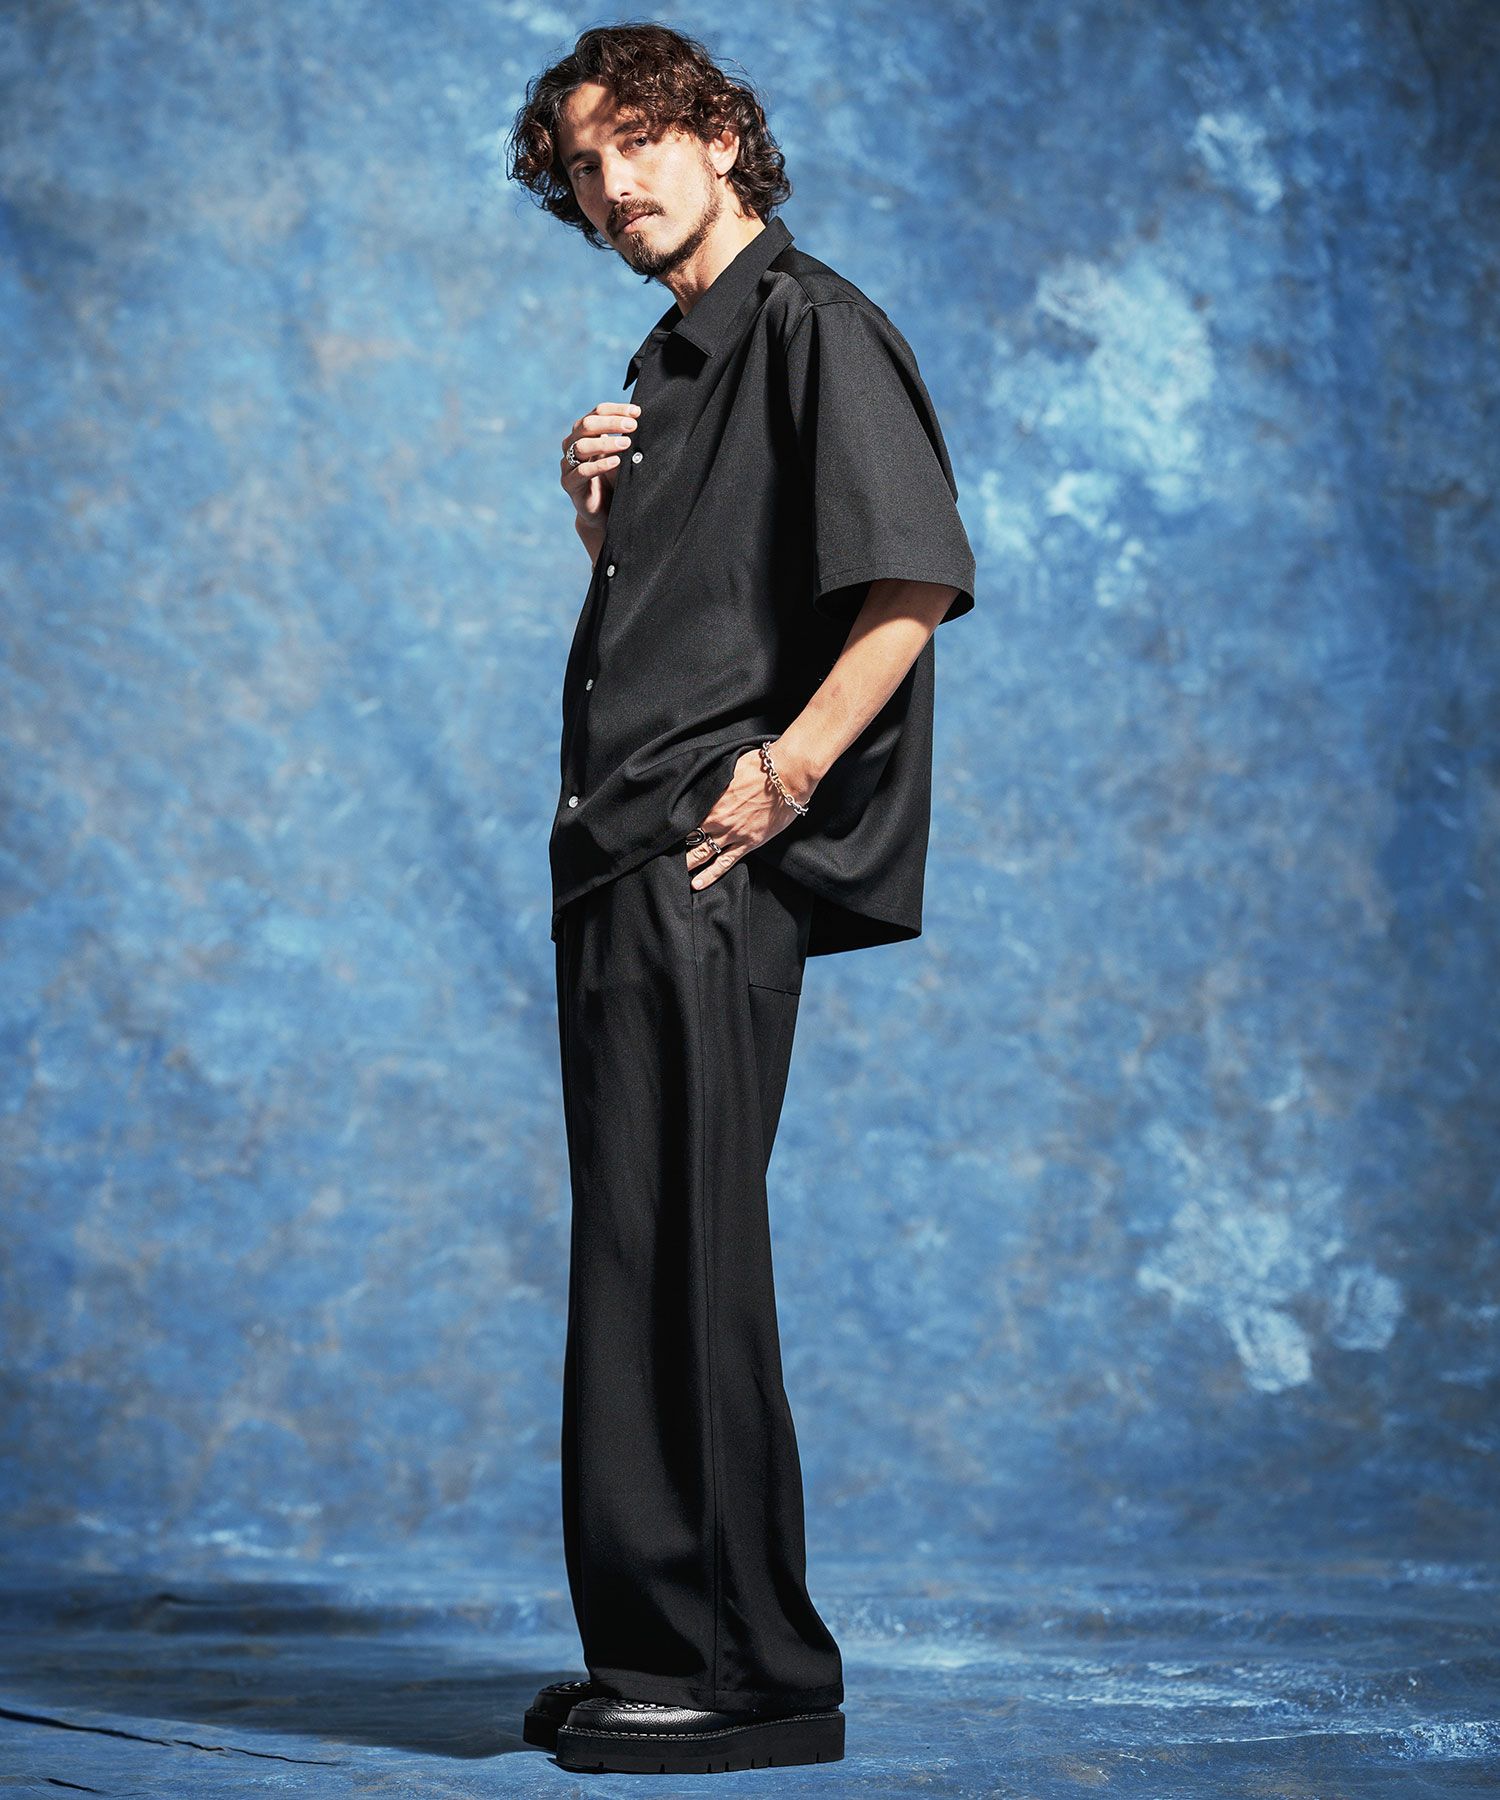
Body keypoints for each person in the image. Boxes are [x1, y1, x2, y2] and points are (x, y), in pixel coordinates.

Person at [507, 21, 977, 1776]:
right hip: (620, 856)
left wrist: (785, 773)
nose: (612, 181)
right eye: (582, 164)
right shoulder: (670, 357)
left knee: (685, 1259)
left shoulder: (810, 324)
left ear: (718, 135)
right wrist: (597, 523)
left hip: (703, 860)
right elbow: (694, 614)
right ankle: (661, 1644)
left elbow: (909, 578)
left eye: (639, 138)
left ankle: (744, 1665)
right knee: (640, 1258)